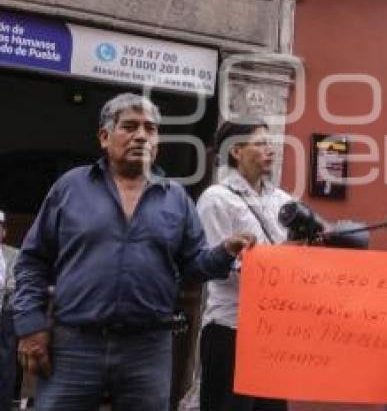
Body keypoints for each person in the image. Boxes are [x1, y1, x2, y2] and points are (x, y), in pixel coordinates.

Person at [13, 93, 257, 411]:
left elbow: (193, 266)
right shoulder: (70, 188)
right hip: (75, 344)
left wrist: (224, 251)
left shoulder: (176, 198)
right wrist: (31, 326)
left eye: (150, 129)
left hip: (147, 349)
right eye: (129, 126)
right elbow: (33, 260)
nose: (141, 135)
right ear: (104, 137)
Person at [196, 118, 292, 411]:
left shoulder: (284, 202)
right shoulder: (216, 199)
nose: (270, 150)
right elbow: (213, 264)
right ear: (236, 151)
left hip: (273, 333)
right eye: (260, 143)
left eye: (270, 143)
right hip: (230, 328)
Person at [0, 209, 20, 409]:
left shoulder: (14, 254)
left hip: (6, 312)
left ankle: (4, 404)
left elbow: (15, 282)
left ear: (4, 232)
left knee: (6, 360)